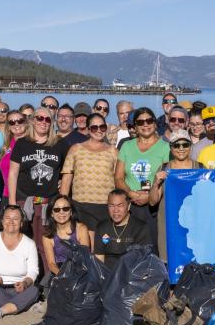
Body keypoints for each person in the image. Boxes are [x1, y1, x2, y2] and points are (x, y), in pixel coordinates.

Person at [8, 106, 70, 271]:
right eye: (39, 118)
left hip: (48, 203)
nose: (43, 122)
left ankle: (47, 278)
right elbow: (12, 173)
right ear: (32, 120)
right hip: (25, 200)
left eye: (48, 119)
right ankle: (25, 276)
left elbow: (67, 173)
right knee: (24, 241)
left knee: (46, 243)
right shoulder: (22, 144)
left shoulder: (60, 144)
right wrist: (13, 203)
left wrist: (62, 196)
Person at [114, 107, 169, 245]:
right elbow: (118, 177)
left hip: (153, 206)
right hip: (130, 204)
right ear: (135, 127)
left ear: (155, 124)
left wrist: (148, 196)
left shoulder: (165, 147)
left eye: (149, 121)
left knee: (152, 246)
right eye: (140, 122)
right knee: (128, 246)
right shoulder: (127, 146)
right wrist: (132, 194)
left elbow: (164, 178)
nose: (145, 124)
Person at [0, 204, 40, 320]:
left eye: (15, 218)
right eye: (8, 218)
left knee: (34, 291)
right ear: (2, 220)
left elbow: (33, 272)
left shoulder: (29, 244)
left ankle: (0, 311)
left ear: (21, 223)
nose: (11, 221)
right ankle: (21, 305)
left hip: (19, 290)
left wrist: (25, 283)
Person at [149, 129, 203, 262]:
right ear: (170, 147)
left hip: (194, 230)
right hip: (169, 229)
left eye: (185, 145)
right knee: (170, 268)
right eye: (176, 145)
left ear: (190, 146)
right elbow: (152, 202)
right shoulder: (163, 169)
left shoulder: (201, 168)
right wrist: (156, 183)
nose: (181, 148)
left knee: (194, 269)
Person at [60, 113, 118, 230]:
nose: (99, 131)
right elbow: (66, 179)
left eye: (102, 127)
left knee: (103, 245)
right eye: (94, 127)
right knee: (84, 245)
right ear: (88, 129)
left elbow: (118, 179)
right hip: (80, 206)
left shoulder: (113, 151)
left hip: (106, 207)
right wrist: (63, 205)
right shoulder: (75, 149)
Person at [93, 189, 153, 271]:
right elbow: (99, 262)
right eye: (111, 206)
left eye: (120, 205)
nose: (115, 210)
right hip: (108, 277)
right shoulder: (102, 227)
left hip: (131, 276)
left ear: (128, 206)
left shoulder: (140, 228)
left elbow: (142, 263)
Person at [42, 194, 90, 277]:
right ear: (52, 214)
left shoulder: (81, 229)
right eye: (57, 209)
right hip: (59, 273)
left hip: (81, 273)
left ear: (71, 212)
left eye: (66, 208)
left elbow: (85, 258)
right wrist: (63, 276)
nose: (61, 212)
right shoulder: (47, 236)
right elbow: (51, 264)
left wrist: (74, 277)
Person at [0, 109, 28, 202]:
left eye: (20, 121)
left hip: (25, 197)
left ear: (26, 123)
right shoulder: (6, 145)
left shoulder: (31, 144)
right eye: (12, 122)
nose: (16, 124)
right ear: (8, 126)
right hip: (7, 195)